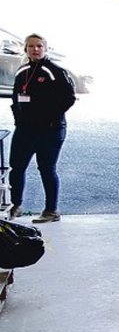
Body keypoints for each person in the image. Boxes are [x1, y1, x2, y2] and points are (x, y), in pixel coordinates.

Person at [8, 34, 75, 223]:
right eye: (31, 46)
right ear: (25, 49)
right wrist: (18, 119)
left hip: (50, 130)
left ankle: (51, 210)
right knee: (16, 167)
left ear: (45, 48)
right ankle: (16, 205)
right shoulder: (22, 71)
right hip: (25, 129)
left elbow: (69, 98)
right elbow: (16, 97)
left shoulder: (54, 71)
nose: (35, 49)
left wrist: (51, 119)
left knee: (46, 169)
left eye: (39, 46)